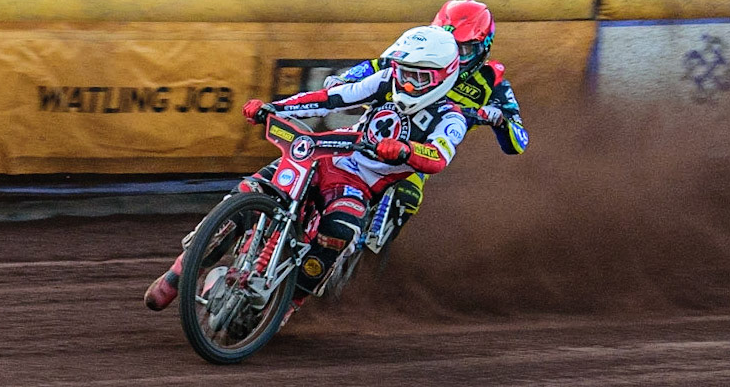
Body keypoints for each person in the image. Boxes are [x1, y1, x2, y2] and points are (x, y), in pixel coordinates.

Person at [145, 24, 486, 317]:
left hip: (360, 185)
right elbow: (331, 98)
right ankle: (175, 275)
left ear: (443, 77)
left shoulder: (451, 116)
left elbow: (439, 156)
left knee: (340, 229)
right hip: (326, 156)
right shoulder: (385, 81)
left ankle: (289, 305)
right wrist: (273, 108)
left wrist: (406, 150)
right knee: (247, 193)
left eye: (416, 76)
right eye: (402, 71)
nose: (405, 81)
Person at [322, 0, 527, 222]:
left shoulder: (491, 82)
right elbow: (377, 65)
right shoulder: (417, 55)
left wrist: (501, 121)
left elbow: (519, 142)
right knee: (317, 161)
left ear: (482, 50)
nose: (454, 56)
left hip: (423, 147)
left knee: (407, 197)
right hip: (375, 130)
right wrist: (344, 79)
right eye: (447, 45)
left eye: (464, 49)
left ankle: (373, 245)